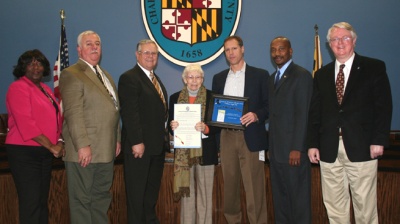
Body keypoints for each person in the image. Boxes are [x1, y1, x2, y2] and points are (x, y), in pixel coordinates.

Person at [307, 22, 392, 223]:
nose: (340, 43)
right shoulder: (322, 74)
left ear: (354, 40)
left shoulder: (374, 67)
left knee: (364, 205)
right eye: (335, 39)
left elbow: (383, 107)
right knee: (334, 206)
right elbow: (315, 113)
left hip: (362, 147)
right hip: (328, 149)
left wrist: (379, 139)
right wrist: (312, 143)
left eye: (345, 38)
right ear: (329, 45)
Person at [59, 30, 121, 224]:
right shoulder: (72, 74)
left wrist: (117, 138)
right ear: (79, 49)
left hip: (106, 149)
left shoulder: (106, 75)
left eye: (97, 43)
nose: (94, 47)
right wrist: (82, 145)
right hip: (84, 150)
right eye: (88, 44)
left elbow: (114, 109)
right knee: (82, 201)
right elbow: (73, 113)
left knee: (101, 198)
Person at [212, 35, 269, 224]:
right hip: (227, 137)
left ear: (242, 49)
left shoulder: (260, 75)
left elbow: (270, 105)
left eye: (234, 49)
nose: (231, 53)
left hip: (251, 136)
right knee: (230, 187)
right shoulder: (218, 78)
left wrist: (256, 115)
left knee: (255, 188)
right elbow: (215, 109)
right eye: (227, 50)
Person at [5, 49, 64, 224]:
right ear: (23, 68)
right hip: (24, 153)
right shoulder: (17, 88)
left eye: (39, 63)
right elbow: (26, 124)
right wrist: (51, 146)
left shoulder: (45, 89)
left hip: (43, 153)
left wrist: (59, 141)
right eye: (30, 63)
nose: (35, 67)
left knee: (41, 202)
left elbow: (57, 120)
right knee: (31, 203)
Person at [118, 39, 169, 224]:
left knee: (149, 196)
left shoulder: (155, 79)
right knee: (137, 196)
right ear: (137, 54)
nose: (150, 56)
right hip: (139, 149)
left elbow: (158, 112)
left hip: (156, 149)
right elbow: (130, 112)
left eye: (154, 53)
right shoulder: (129, 78)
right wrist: (136, 142)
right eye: (146, 53)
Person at [268, 36, 312, 223]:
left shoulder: (301, 75)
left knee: (298, 202)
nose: (277, 53)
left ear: (290, 51)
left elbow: (303, 114)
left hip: (294, 153)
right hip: (277, 153)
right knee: (281, 201)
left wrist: (297, 148)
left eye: (281, 49)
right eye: (273, 50)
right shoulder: (272, 79)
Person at [168, 63, 219, 224]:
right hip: (184, 154)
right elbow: (170, 125)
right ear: (184, 79)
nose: (194, 81)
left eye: (198, 77)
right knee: (187, 196)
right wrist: (172, 126)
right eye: (190, 77)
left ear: (203, 79)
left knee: (205, 196)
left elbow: (217, 125)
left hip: (206, 152)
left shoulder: (212, 97)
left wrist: (206, 128)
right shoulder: (175, 98)